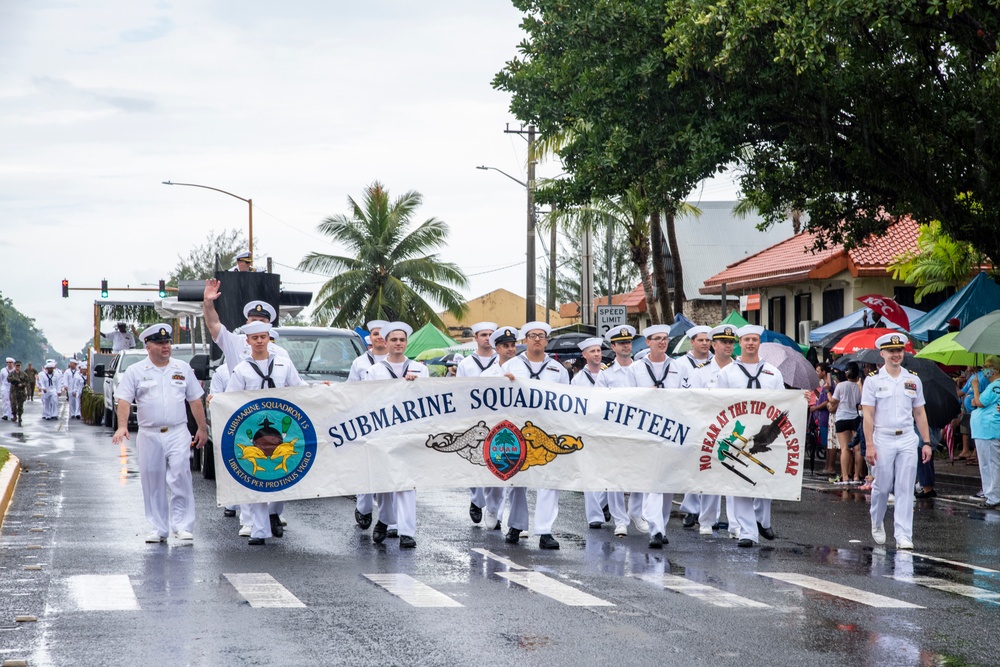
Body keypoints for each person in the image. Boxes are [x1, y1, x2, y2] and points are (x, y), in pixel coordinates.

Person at [112, 324, 208, 544]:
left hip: (177, 431)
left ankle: (182, 526)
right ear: (148, 346)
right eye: (160, 343)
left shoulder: (182, 368)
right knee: (152, 478)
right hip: (149, 433)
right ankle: (159, 528)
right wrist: (122, 425)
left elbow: (195, 400)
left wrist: (202, 428)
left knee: (180, 476)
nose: (166, 347)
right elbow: (124, 400)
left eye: (167, 343)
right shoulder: (135, 371)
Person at [227, 321, 305, 545]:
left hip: (282, 428)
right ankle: (259, 531)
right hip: (254, 431)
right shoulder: (241, 369)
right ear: (248, 341)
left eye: (264, 337)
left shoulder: (284, 363)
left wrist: (321, 391)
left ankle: (274, 513)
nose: (260, 341)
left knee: (284, 471)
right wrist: (217, 400)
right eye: (255, 338)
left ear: (269, 338)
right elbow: (231, 398)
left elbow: (297, 388)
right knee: (257, 477)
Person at [713, 325, 785, 548]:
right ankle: (747, 532)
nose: (751, 343)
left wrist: (801, 398)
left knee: (764, 479)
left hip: (763, 435)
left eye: (754, 339)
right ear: (739, 343)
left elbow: (783, 403)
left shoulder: (773, 372)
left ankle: (762, 521)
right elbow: (718, 404)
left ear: (759, 343)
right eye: (746, 340)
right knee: (739, 483)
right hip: (738, 433)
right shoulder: (727, 373)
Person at [501, 321, 570, 550]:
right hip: (518, 428)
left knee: (549, 480)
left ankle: (545, 531)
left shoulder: (558, 370)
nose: (537, 339)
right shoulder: (511, 365)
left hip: (548, 429)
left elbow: (569, 401)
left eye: (541, 336)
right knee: (516, 479)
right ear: (525, 340)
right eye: (532, 336)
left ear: (547, 340)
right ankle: (517, 524)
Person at [862, 333, 932, 550]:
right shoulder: (873, 380)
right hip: (883, 437)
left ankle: (903, 534)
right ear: (882, 353)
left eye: (899, 351)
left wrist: (927, 442)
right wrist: (870, 445)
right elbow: (868, 415)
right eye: (891, 351)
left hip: (908, 438)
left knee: (905, 487)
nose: (896, 355)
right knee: (882, 487)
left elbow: (919, 413)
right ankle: (877, 521)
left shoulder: (913, 379)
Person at [363, 321, 428, 549]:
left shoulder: (420, 369)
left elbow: (429, 400)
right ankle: (384, 519)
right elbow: (366, 402)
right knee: (384, 482)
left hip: (409, 432)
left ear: (406, 343)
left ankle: (407, 532)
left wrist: (414, 386)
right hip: (383, 432)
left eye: (402, 340)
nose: (398, 343)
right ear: (385, 342)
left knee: (407, 482)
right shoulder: (374, 371)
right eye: (394, 339)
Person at [594, 325, 648, 537]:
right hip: (615, 429)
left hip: (640, 428)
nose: (626, 346)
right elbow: (599, 401)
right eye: (621, 343)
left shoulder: (643, 369)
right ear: (613, 346)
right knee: (615, 477)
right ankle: (619, 519)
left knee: (641, 473)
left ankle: (636, 513)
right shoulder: (605, 374)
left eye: (628, 342)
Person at [629, 324, 676, 549]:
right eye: (657, 338)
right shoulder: (636, 368)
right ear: (648, 342)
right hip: (645, 430)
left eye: (665, 338)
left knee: (666, 484)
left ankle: (661, 526)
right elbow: (626, 399)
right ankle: (655, 528)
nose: (662, 342)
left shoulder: (676, 366)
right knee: (653, 480)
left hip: (671, 431)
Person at [689, 324, 739, 536]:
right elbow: (692, 401)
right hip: (709, 429)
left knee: (736, 478)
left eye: (731, 342)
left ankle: (737, 525)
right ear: (714, 345)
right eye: (724, 342)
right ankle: (707, 520)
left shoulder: (740, 369)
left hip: (735, 430)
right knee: (709, 477)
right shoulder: (700, 372)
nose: (728, 346)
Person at [455, 321, 505, 528]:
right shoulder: (466, 364)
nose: (487, 338)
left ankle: (495, 512)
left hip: (498, 419)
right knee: (476, 464)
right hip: (473, 420)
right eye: (483, 334)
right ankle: (477, 500)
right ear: (475, 337)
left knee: (499, 464)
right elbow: (458, 393)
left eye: (490, 334)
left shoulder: (503, 361)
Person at [347, 320, 390, 531]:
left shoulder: (401, 361)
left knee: (388, 469)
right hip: (365, 421)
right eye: (375, 334)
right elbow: (350, 391)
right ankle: (363, 508)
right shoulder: (359, 363)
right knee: (365, 466)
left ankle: (387, 518)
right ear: (370, 338)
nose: (380, 337)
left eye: (383, 334)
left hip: (391, 422)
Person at [671, 325, 714, 529]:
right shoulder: (680, 364)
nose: (705, 343)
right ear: (692, 342)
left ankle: (708, 514)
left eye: (707, 340)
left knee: (711, 467)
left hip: (713, 422)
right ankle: (691, 510)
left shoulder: (718, 362)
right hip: (689, 421)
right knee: (693, 467)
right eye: (701, 340)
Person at [572, 336, 615, 532]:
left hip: (609, 428)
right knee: (590, 473)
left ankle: (604, 503)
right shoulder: (578, 379)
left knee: (610, 470)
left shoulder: (611, 372)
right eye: (592, 351)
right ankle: (595, 516)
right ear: (584, 355)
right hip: (588, 428)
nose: (597, 354)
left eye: (599, 351)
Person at [970, 355, 1000, 509]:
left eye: (987, 367)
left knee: (990, 464)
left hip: (989, 430)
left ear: (995, 369)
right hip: (985, 430)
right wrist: (976, 399)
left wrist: (975, 387)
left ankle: (993, 496)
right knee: (987, 464)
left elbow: (980, 402)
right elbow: (975, 401)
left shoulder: (996, 385)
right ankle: (991, 494)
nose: (984, 370)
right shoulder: (992, 385)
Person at [830, 364, 863, 483]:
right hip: (855, 417)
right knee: (858, 449)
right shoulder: (860, 387)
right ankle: (856, 476)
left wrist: (828, 392)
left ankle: (844, 476)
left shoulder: (840, 386)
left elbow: (833, 401)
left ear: (846, 374)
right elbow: (862, 402)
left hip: (841, 418)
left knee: (844, 448)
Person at [812, 363, 834, 474]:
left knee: (828, 444)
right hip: (821, 418)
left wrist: (815, 408)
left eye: (818, 371)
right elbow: (821, 398)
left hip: (825, 418)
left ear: (824, 372)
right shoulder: (824, 384)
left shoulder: (828, 385)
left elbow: (826, 402)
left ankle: (829, 467)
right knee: (825, 444)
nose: (817, 373)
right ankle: (826, 466)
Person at [7, 361, 29, 427]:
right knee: (13, 404)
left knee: (20, 405)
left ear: (20, 366)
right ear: (14, 366)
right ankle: (14, 415)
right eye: (16, 366)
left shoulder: (24, 374)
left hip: (21, 391)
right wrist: (16, 380)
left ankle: (19, 416)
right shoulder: (11, 373)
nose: (17, 367)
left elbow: (27, 382)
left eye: (19, 366)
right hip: (13, 391)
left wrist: (22, 384)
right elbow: (8, 379)